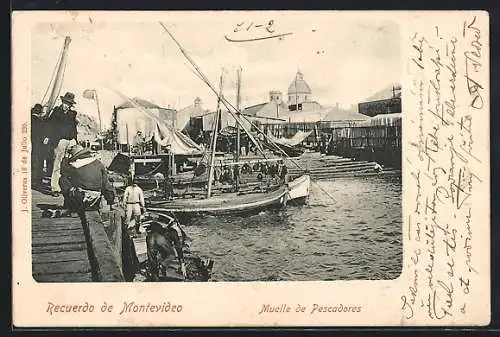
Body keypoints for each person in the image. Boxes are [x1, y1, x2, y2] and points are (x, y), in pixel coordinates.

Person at [58, 144, 115, 217]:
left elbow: (63, 172)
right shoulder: (98, 163)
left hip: (81, 199)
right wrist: (111, 200)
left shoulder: (74, 165)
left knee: (63, 179)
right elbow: (106, 184)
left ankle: (71, 206)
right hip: (95, 200)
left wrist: (65, 158)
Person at [48, 92, 79, 196]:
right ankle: (55, 188)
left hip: (70, 141)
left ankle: (67, 187)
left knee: (68, 165)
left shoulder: (72, 114)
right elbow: (50, 126)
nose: (67, 106)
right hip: (60, 141)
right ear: (62, 102)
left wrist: (75, 140)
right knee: (57, 164)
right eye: (66, 103)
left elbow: (74, 128)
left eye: (69, 104)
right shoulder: (56, 112)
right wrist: (49, 138)